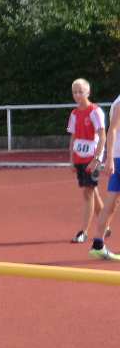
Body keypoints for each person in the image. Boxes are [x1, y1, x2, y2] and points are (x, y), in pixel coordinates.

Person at [67, 78, 106, 244]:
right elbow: (73, 136)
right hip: (79, 157)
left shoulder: (95, 111)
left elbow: (103, 136)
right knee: (92, 191)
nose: (77, 95)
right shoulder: (74, 114)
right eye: (74, 92)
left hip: (92, 158)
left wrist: (96, 159)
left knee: (88, 193)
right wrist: (71, 159)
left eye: (80, 92)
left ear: (88, 93)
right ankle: (105, 223)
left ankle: (83, 232)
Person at [89, 91, 120, 261]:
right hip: (118, 157)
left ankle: (98, 245)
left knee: (111, 203)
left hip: (117, 157)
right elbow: (112, 129)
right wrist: (109, 159)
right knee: (111, 202)